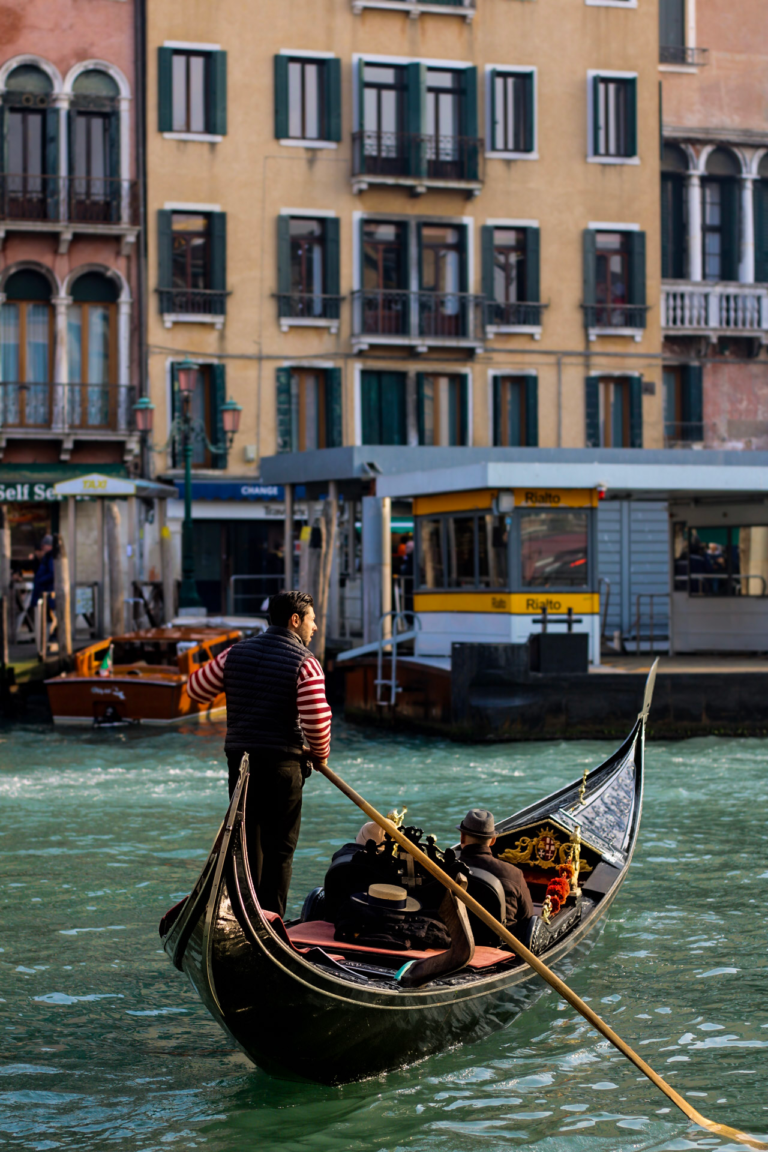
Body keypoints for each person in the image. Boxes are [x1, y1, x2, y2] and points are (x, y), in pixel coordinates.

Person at [187, 590, 332, 917]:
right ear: (295, 620)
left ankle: (247, 916)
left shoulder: (235, 653)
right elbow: (317, 719)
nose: (316, 627)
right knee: (280, 849)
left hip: (241, 765)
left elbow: (196, 688)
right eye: (312, 620)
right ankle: (271, 920)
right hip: (283, 766)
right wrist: (320, 755)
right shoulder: (306, 663)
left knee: (249, 848)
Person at [456, 808, 534, 933]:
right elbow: (527, 918)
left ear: (462, 837)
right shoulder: (514, 874)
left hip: (454, 943)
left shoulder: (444, 871)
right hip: (503, 948)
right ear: (493, 840)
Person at [30, 534, 55, 609]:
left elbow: (52, 574)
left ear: (49, 546)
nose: (42, 548)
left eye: (44, 546)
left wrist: (39, 580)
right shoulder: (47, 557)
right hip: (43, 590)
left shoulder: (50, 557)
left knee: (45, 614)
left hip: (46, 591)